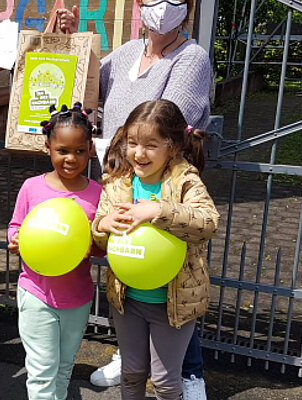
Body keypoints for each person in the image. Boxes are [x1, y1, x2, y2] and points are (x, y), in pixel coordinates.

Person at [54, 1, 211, 397]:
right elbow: (85, 86)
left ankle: (188, 376)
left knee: (173, 281)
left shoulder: (191, 58)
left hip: (159, 181)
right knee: (137, 284)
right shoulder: (126, 52)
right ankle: (132, 358)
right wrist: (71, 39)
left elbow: (170, 116)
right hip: (122, 177)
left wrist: (128, 148)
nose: (159, 7)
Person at [92, 99, 219, 399]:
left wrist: (157, 211)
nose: (138, 153)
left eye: (151, 145)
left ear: (172, 146)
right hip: (128, 299)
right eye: (132, 143)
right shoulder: (117, 183)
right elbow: (99, 233)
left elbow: (208, 222)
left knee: (164, 381)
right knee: (132, 372)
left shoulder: (184, 180)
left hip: (172, 303)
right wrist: (102, 225)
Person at [7, 103, 102, 400]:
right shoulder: (31, 188)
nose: (71, 158)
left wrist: (93, 245)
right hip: (37, 293)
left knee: (64, 366)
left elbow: (101, 245)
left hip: (77, 296)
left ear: (90, 150)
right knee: (41, 371)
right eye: (62, 150)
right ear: (48, 147)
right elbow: (15, 226)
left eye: (79, 151)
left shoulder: (97, 193)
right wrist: (15, 240)